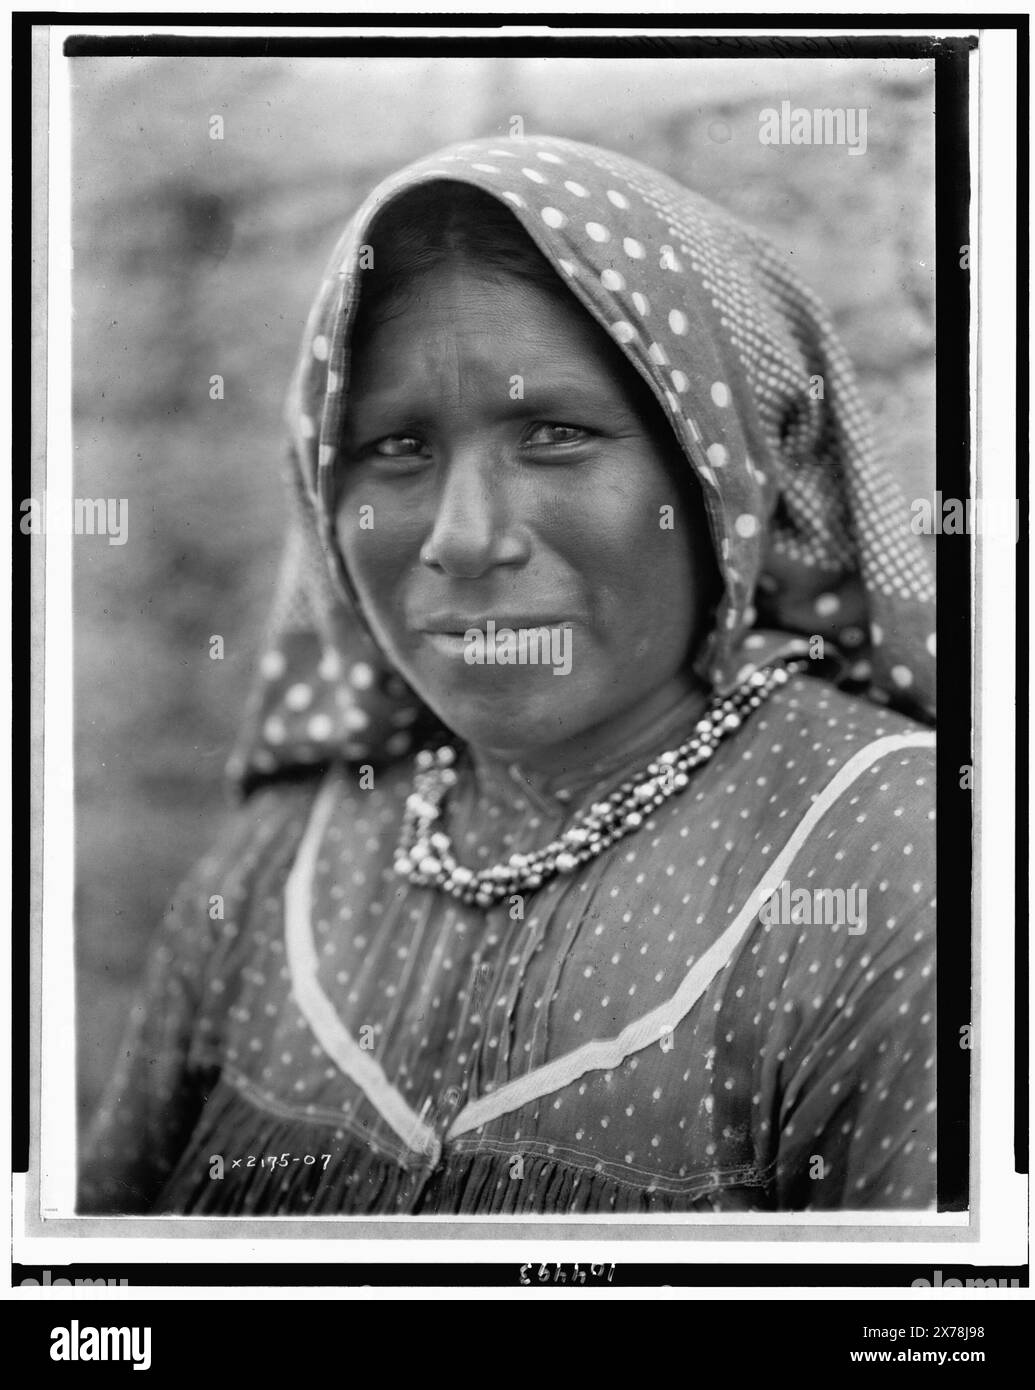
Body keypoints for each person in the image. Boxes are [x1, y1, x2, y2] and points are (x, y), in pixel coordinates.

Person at [79, 134, 937, 1216]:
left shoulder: (893, 857)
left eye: (555, 434)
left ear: (718, 475)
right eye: (397, 448)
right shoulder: (281, 860)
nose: (465, 537)